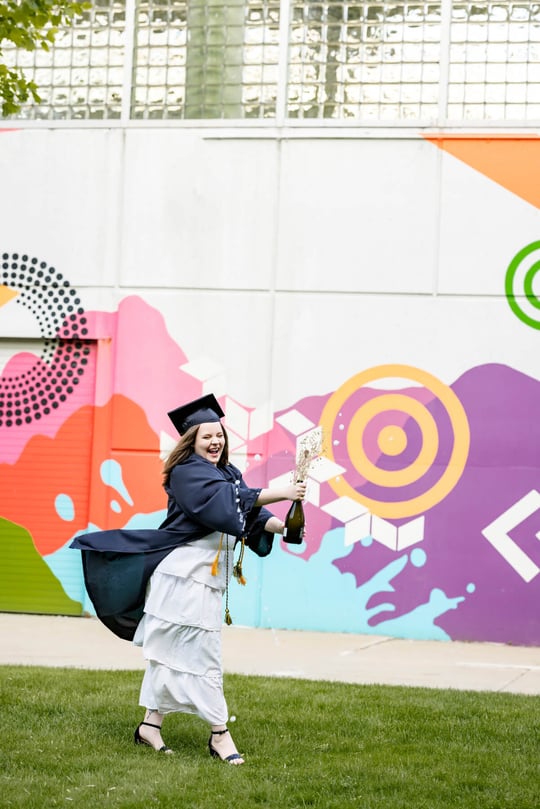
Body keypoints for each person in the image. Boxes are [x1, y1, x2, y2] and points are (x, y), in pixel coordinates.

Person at [72, 393, 306, 766]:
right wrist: (281, 491)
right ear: (191, 441)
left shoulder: (227, 473)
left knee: (171, 655)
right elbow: (226, 503)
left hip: (203, 579)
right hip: (182, 576)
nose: (215, 442)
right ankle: (219, 735)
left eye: (219, 435)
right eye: (206, 437)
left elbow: (248, 515)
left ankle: (150, 725)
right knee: (202, 654)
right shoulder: (187, 473)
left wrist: (283, 526)